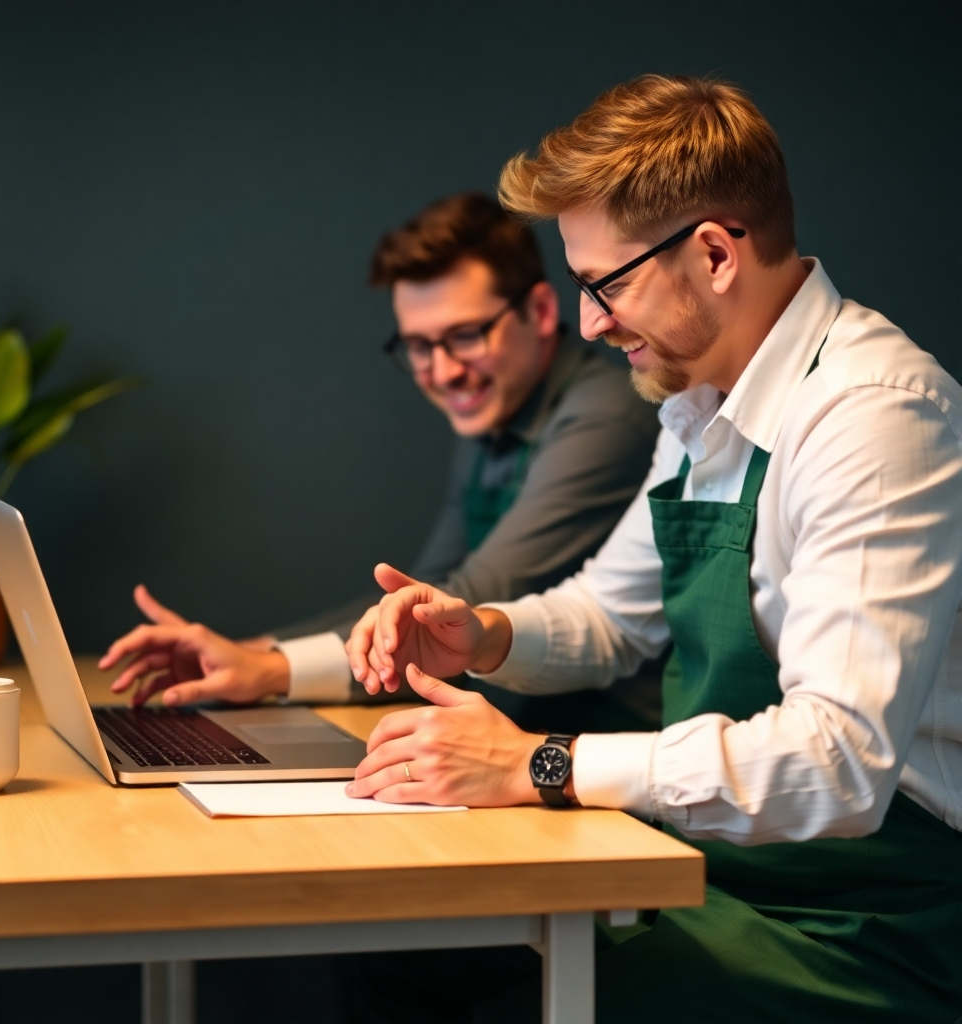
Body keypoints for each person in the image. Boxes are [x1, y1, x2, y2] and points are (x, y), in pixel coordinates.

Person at [337, 76, 962, 1022]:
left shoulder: (875, 417)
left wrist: (538, 764)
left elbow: (837, 762)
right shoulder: (699, 398)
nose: (590, 321)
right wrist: (485, 635)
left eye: (609, 284)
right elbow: (609, 615)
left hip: (864, 925)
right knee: (397, 950)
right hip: (710, 866)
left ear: (714, 253)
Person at [101, 192, 662, 732]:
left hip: (617, 756)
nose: (444, 372)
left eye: (466, 335)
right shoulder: (494, 411)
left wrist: (270, 670)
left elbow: (466, 598)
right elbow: (423, 589)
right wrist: (247, 653)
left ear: (539, 311)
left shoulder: (606, 417)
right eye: (419, 346)